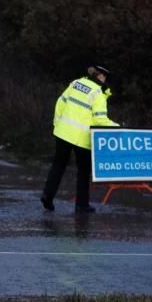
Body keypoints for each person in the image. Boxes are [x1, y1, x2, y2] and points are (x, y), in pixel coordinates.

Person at [41, 64, 118, 214]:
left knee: (58, 165)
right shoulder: (98, 93)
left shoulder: (76, 83)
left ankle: (47, 195)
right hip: (82, 138)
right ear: (100, 76)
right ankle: (82, 205)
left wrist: (57, 123)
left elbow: (60, 102)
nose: (105, 80)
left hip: (63, 132)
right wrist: (117, 127)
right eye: (105, 77)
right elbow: (100, 120)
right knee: (83, 171)